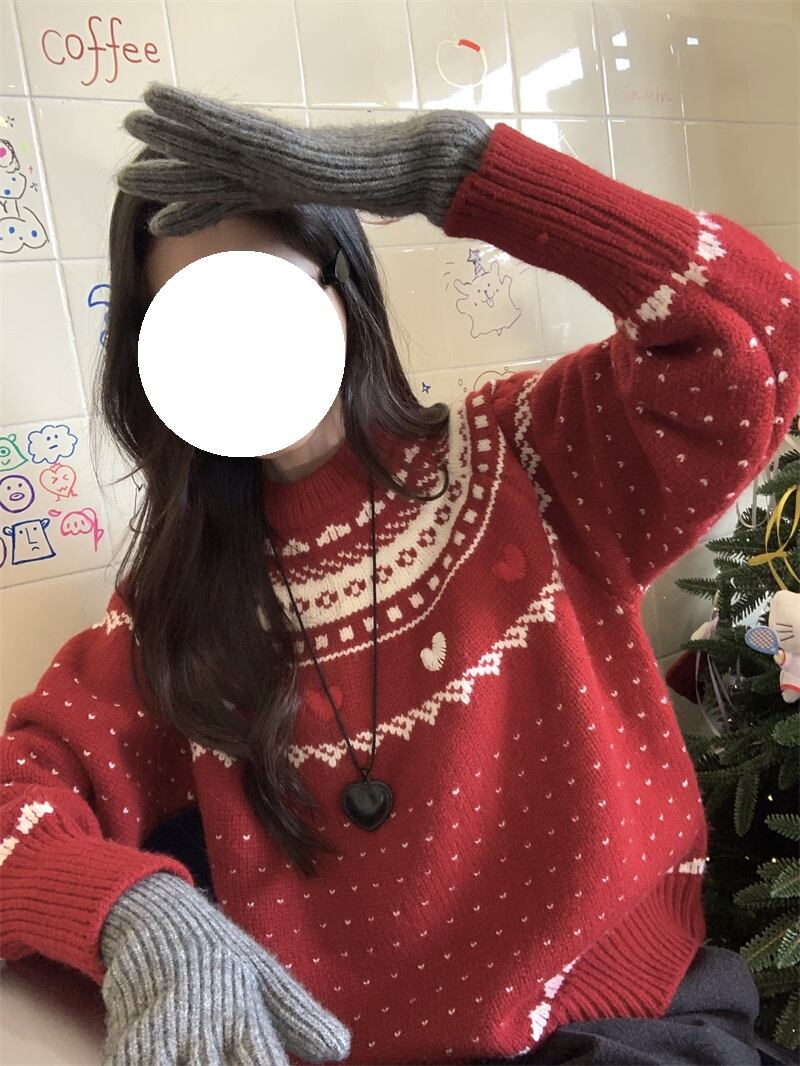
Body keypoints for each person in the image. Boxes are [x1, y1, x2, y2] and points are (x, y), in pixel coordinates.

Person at [2, 81, 796, 1065]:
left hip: (626, 1028)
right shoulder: (177, 611)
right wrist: (132, 912)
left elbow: (757, 336)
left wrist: (462, 175)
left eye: (259, 296)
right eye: (189, 319)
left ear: (341, 287)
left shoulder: (535, 456)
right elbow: (20, 800)